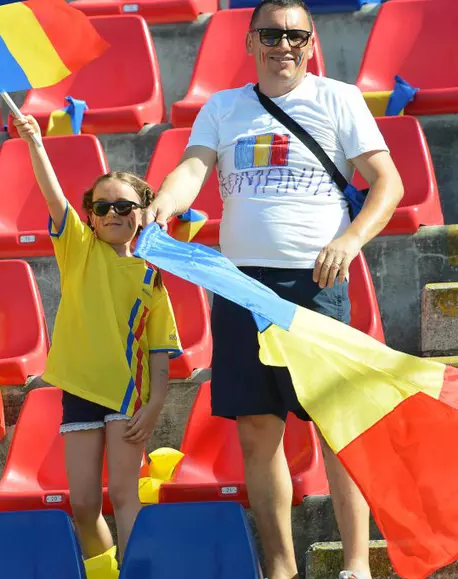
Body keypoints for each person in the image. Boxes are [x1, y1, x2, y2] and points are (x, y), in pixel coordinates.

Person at [144, 1, 404, 578]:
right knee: (259, 432)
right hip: (240, 286)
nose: (282, 45)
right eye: (270, 34)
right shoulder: (222, 106)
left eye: (294, 35)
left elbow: (388, 181)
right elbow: (192, 168)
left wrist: (352, 240)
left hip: (315, 282)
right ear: (249, 42)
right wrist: (163, 204)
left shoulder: (338, 99)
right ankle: (283, 570)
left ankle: (356, 566)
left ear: (311, 43)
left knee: (337, 426)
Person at [14, 115, 182, 563]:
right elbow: (52, 195)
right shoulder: (77, 247)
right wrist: (34, 142)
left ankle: (136, 574)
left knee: (125, 496)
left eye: (124, 207)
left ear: (142, 213)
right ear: (89, 215)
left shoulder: (152, 276)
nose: (112, 214)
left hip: (128, 397)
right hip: (80, 392)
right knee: (85, 505)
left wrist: (155, 406)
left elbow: (162, 355)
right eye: (103, 207)